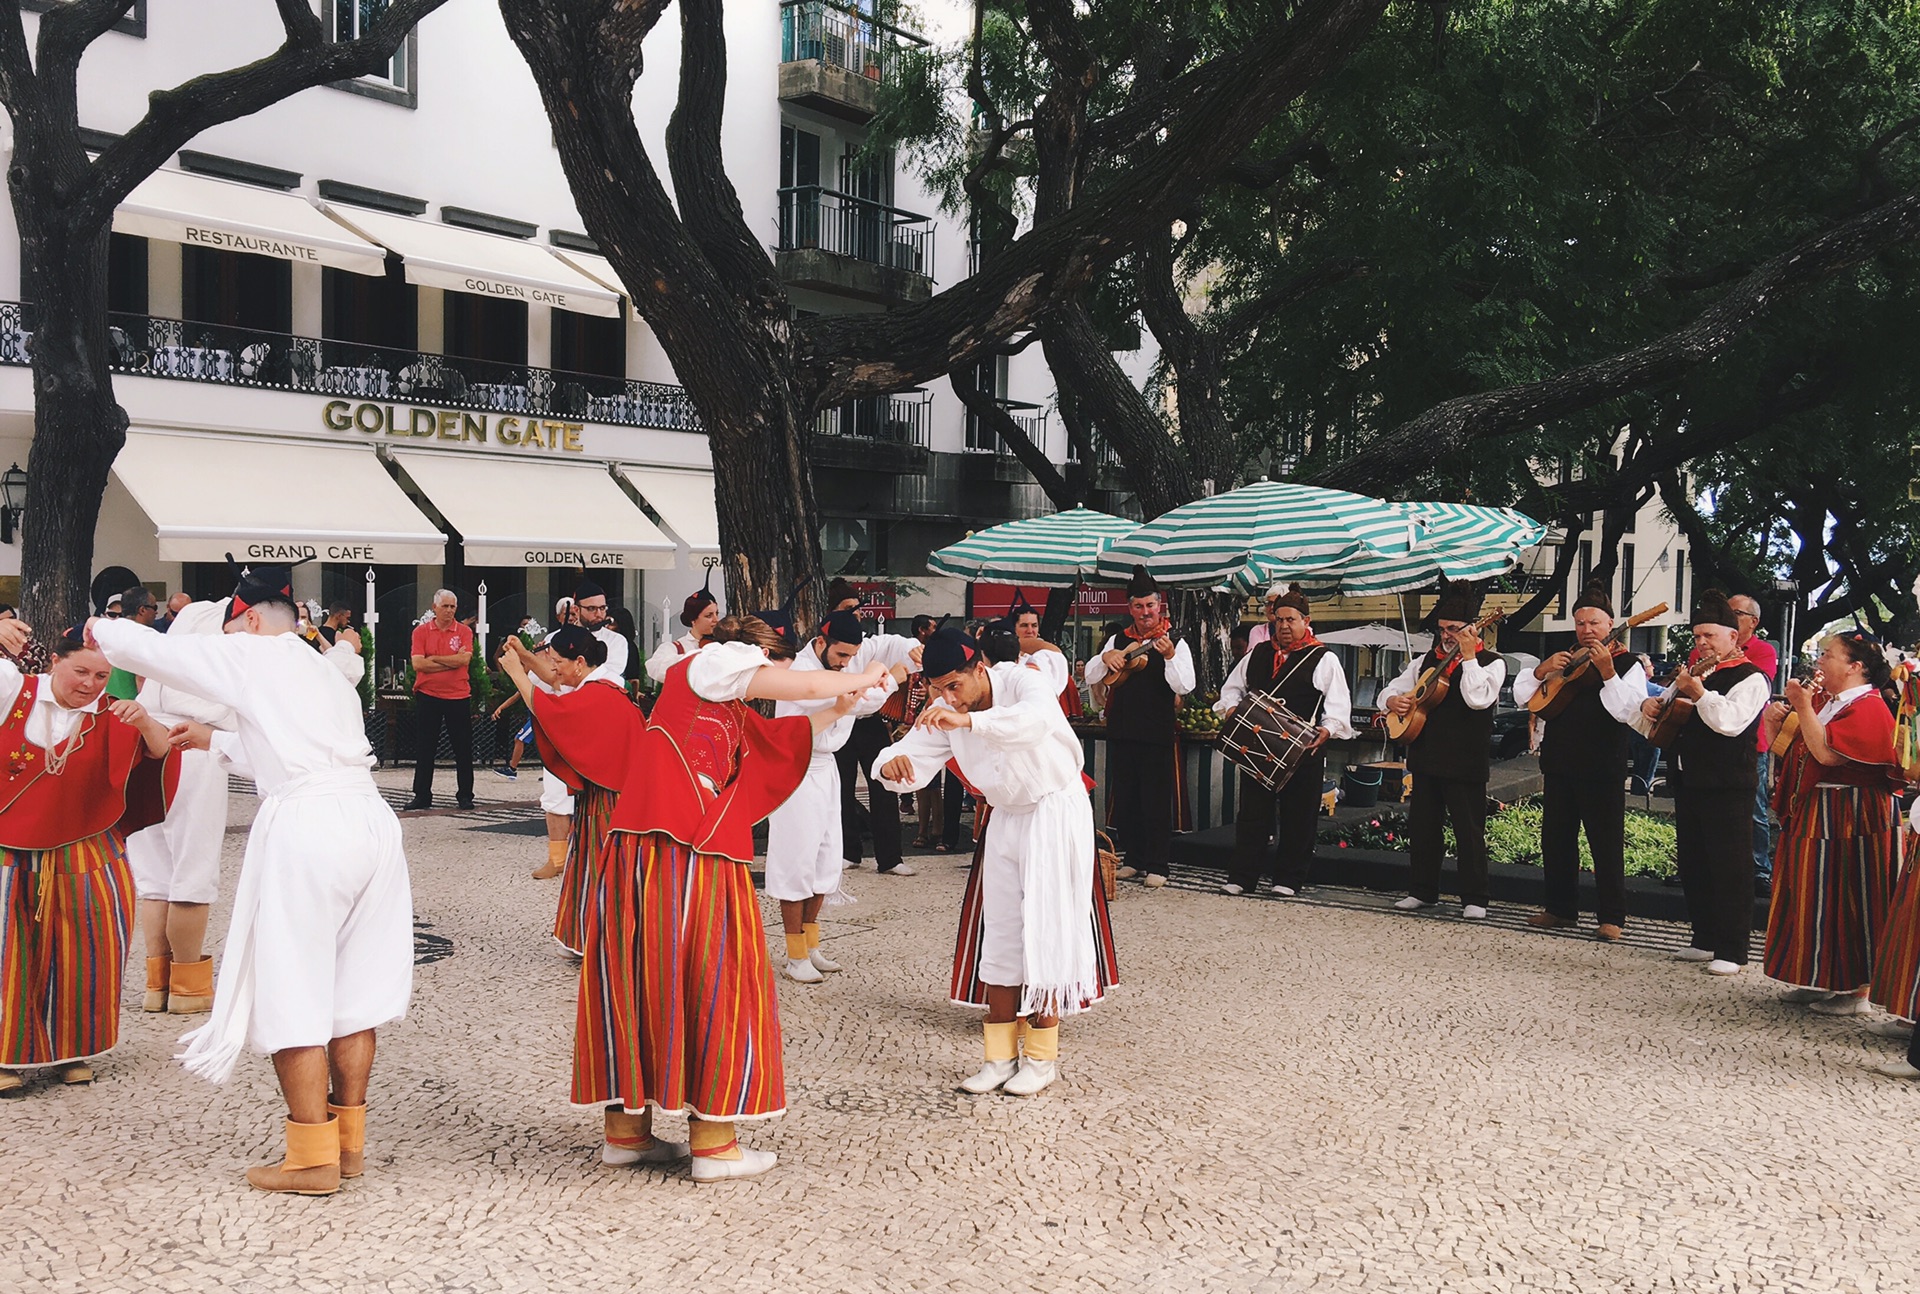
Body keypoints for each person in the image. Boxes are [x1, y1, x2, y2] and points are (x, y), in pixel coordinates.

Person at [504, 614, 885, 1181]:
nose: (768, 680)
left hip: (643, 852)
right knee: (715, 976)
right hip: (691, 853)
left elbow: (785, 737)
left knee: (639, 977)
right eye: (769, 666)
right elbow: (801, 688)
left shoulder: (709, 698)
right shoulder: (713, 663)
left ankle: (627, 1135)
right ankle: (714, 1145)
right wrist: (861, 675)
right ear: (751, 655)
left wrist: (841, 703)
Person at [93, 563, 412, 1195]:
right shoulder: (326, 670)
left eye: (235, 625)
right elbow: (287, 746)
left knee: (292, 989)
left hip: (309, 825)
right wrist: (210, 739)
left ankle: (310, 1158)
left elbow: (150, 651)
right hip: (370, 820)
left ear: (253, 620)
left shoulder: (253, 652)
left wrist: (98, 620)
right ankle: (348, 1148)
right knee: (356, 997)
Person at [876, 627, 1115, 1096]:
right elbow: (908, 752)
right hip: (1005, 816)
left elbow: (1035, 722)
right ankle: (999, 1057)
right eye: (937, 688)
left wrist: (968, 724)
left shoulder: (1024, 681)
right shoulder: (946, 708)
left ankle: (1042, 1059)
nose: (946, 697)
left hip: (1055, 809)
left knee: (1046, 928)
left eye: (953, 685)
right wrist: (889, 764)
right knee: (1001, 932)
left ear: (979, 669)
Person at [0, 618, 177, 1096]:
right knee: (6, 951)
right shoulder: (11, 689)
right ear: (54, 661)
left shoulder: (112, 712)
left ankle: (71, 1049)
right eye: (81, 672)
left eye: (101, 677)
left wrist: (143, 720)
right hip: (8, 847)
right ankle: (5, 1055)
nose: (89, 685)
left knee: (87, 947)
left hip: (88, 847)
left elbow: (163, 752)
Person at [765, 610, 909, 983]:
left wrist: (883, 673)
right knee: (797, 861)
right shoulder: (800, 672)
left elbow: (861, 702)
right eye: (841, 655)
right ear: (820, 642)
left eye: (851, 656)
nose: (846, 663)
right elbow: (852, 702)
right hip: (795, 769)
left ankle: (811, 947)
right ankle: (794, 954)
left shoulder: (839, 671)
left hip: (825, 767)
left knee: (825, 859)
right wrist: (888, 679)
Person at [1631, 590, 1770, 976]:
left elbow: (1730, 722)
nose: (1702, 643)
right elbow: (1662, 720)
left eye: (1710, 635)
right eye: (1697, 637)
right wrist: (1648, 706)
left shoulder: (1751, 677)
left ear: (1732, 636)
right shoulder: (1697, 674)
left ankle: (1733, 948)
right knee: (1695, 863)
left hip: (1728, 783)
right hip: (1690, 779)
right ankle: (1704, 938)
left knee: (1730, 866)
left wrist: (1699, 692)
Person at [1760, 630, 1898, 1013]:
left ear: (1855, 667)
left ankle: (1856, 989)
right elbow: (1789, 748)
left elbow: (1826, 753)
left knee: (1850, 893)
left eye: (1828, 655)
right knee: (1811, 892)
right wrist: (1776, 723)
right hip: (1819, 809)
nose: (1819, 662)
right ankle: (1820, 976)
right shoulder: (1830, 702)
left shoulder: (1868, 706)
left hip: (1853, 813)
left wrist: (1802, 706)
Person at [1511, 581, 1647, 940]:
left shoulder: (1629, 663)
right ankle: (1559, 908)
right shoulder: (1564, 658)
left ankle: (1612, 916)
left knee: (1605, 842)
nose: (1587, 630)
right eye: (1581, 623)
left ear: (1610, 624)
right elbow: (1525, 696)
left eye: (1594, 624)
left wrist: (1607, 672)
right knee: (1556, 840)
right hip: (1559, 762)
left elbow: (1628, 712)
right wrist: (1542, 670)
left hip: (1603, 765)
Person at [127, 601, 241, 1016]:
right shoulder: (221, 657)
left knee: (155, 875)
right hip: (194, 748)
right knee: (192, 871)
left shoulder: (167, 659)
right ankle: (187, 985)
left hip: (145, 745)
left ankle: (156, 984)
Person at [1213, 584, 1355, 898]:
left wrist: (1328, 729)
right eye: (1279, 619)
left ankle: (1288, 879)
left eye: (1291, 619)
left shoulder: (1323, 658)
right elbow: (1231, 689)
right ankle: (1243, 876)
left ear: (1306, 621)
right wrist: (1232, 709)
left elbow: (1339, 703)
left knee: (1299, 815)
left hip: (1303, 750)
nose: (1285, 626)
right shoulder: (1259, 654)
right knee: (1252, 814)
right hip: (1259, 747)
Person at [1380, 581, 1505, 918]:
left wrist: (1467, 658)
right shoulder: (1423, 662)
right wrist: (1391, 699)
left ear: (1472, 629)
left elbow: (1477, 699)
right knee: (1423, 829)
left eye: (1454, 629)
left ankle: (1475, 898)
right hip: (1426, 756)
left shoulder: (1492, 663)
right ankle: (1422, 890)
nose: (1447, 635)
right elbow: (1390, 690)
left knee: (1469, 832)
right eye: (1442, 629)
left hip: (1466, 761)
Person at [1084, 565, 1194, 889]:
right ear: (1129, 608)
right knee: (1127, 798)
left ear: (1159, 605)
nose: (1145, 612)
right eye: (1138, 606)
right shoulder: (1119, 640)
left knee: (1156, 801)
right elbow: (1091, 673)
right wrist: (1106, 659)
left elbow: (1185, 685)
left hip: (1156, 732)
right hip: (1123, 729)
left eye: (1150, 605)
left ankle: (1158, 864)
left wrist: (1171, 656)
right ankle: (1133, 859)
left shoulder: (1176, 641)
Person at [836, 592, 918, 879]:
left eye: (858, 609)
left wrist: (914, 649)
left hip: (870, 723)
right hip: (842, 722)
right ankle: (848, 852)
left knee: (885, 785)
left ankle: (890, 858)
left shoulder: (869, 645)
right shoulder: (824, 653)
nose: (856, 614)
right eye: (848, 608)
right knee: (841, 790)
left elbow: (896, 643)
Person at [1724, 595, 1781, 897]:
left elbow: (1754, 685)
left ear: (1752, 621)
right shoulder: (1701, 650)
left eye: (1734, 613)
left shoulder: (1763, 651)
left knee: (1755, 808)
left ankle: (1760, 869)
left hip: (1751, 740)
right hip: (1709, 741)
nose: (1727, 617)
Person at [406, 589, 474, 811]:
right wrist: (450, 661)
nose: (449, 611)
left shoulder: (463, 631)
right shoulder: (421, 632)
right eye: (445, 606)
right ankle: (422, 795)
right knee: (425, 748)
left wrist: (433, 658)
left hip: (458, 695)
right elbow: (418, 664)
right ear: (434, 607)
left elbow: (464, 660)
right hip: (428, 695)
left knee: (462, 749)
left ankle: (465, 795)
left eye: (453, 606)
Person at [1012, 595, 1083, 720]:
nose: (1030, 630)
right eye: (1024, 625)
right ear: (1014, 628)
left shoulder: (1048, 656)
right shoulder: (1006, 656)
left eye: (1034, 625)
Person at [646, 579, 721, 683]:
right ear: (693, 620)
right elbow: (654, 668)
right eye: (709, 616)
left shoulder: (722, 644)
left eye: (716, 614)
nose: (716, 620)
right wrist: (695, 658)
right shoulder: (675, 647)